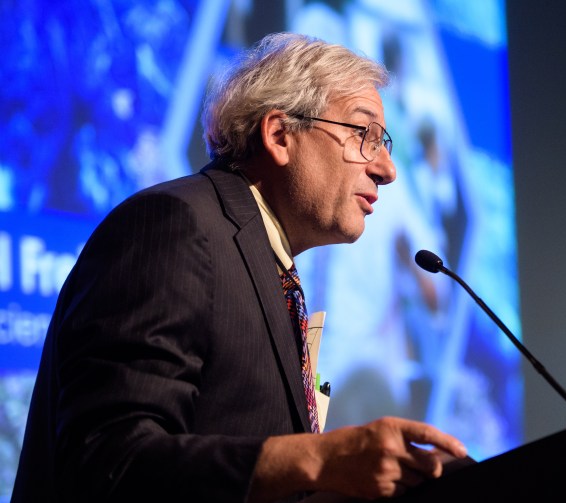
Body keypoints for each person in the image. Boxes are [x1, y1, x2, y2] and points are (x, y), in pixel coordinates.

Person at [11, 32, 467, 503]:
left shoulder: (268, 265)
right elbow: (110, 460)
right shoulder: (174, 226)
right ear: (279, 135)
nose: (387, 169)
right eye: (363, 134)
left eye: (384, 142)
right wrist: (320, 460)